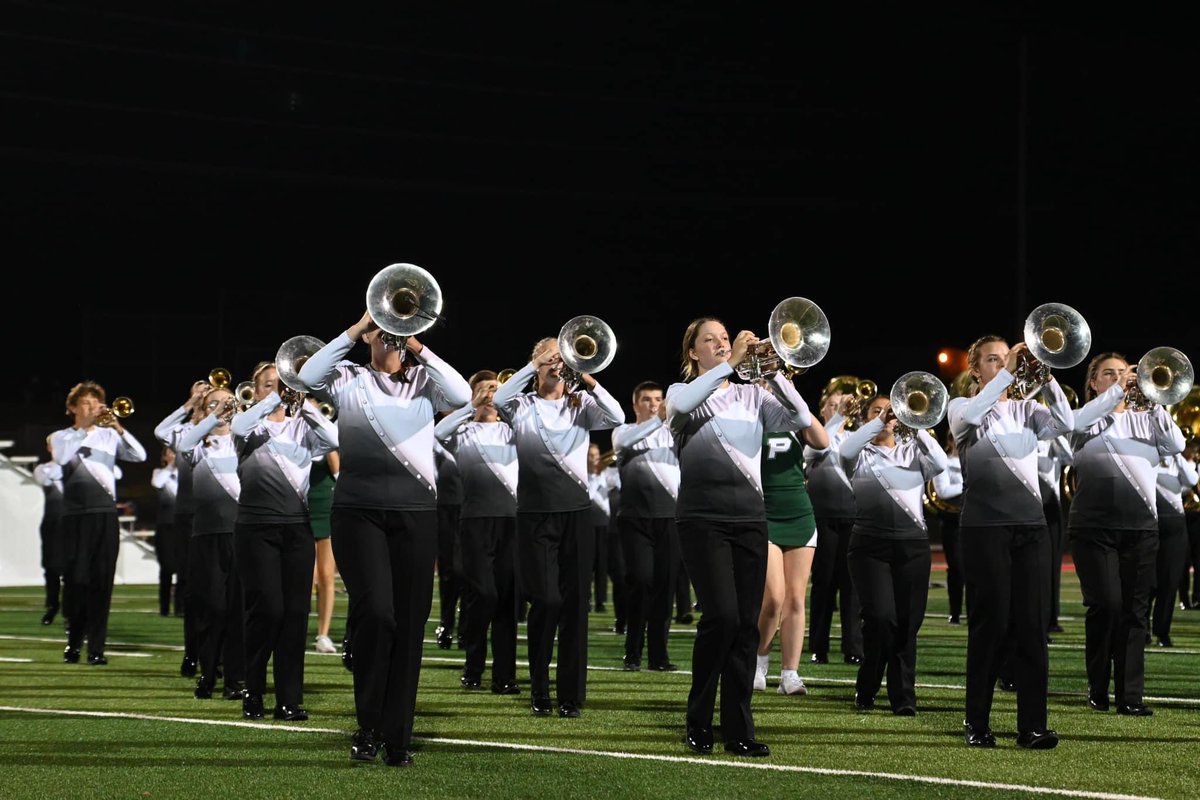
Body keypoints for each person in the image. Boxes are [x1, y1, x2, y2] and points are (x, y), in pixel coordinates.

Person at [295, 309, 471, 767]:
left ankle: (398, 735)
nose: (389, 336)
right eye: (383, 329)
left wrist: (414, 343)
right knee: (376, 613)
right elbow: (305, 376)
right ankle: (368, 724)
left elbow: (463, 393)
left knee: (409, 626)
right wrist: (357, 326)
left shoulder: (423, 382)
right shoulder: (348, 378)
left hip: (416, 512)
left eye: (397, 329)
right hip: (358, 512)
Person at [667, 318, 817, 758]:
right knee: (722, 618)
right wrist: (728, 363)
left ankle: (738, 729)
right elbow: (679, 410)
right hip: (702, 518)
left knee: (746, 627)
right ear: (694, 352)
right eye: (710, 340)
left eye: (726, 339)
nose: (722, 344)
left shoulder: (752, 395)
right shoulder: (683, 394)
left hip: (752, 518)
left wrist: (774, 372)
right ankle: (698, 720)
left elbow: (801, 418)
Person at [949, 335, 1073, 750]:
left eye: (1008, 358)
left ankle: (1033, 726)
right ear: (976, 369)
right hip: (984, 528)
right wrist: (1007, 374)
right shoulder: (962, 408)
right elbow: (966, 424)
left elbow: (1067, 424)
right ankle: (977, 722)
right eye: (993, 359)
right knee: (991, 625)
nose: (1005, 364)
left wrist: (1047, 377)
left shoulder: (1028, 408)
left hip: (1032, 526)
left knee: (1032, 627)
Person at [491, 335, 624, 719]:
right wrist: (536, 365)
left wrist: (588, 377)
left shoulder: (581, 405)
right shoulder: (522, 404)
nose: (555, 361)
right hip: (534, 514)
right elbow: (499, 400)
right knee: (545, 601)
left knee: (575, 607)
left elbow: (616, 417)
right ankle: (538, 688)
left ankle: (570, 695)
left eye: (559, 355)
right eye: (547, 355)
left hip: (577, 513)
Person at [1068, 352, 1185, 717]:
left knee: (1135, 613)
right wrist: (1116, 393)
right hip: (1093, 526)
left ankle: (1129, 696)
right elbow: (1073, 425)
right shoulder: (1083, 418)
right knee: (1106, 604)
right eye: (1110, 373)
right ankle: (1098, 686)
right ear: (1093, 382)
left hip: (1141, 526)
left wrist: (1153, 401)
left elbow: (1177, 444)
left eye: (1125, 373)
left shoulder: (1146, 417)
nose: (1121, 378)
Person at [230, 361, 339, 721]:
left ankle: (289, 699)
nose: (277, 389)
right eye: (268, 384)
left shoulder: (302, 427)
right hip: (256, 527)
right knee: (267, 609)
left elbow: (335, 440)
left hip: (297, 527)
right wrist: (271, 400)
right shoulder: (249, 427)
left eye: (283, 383)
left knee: (294, 614)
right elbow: (239, 423)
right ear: (255, 390)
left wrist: (304, 401)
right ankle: (254, 689)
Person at [839, 393, 948, 715]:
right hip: (869, 547)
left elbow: (941, 464)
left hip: (912, 546)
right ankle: (869, 682)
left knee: (906, 624)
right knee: (880, 619)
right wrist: (878, 420)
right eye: (877, 410)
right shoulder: (858, 452)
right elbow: (844, 449)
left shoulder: (913, 450)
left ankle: (903, 698)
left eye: (892, 411)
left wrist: (917, 427)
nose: (888, 416)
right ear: (864, 418)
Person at [434, 369, 521, 695]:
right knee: (481, 594)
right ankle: (473, 666)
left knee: (506, 600)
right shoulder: (463, 432)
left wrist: (504, 400)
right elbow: (439, 431)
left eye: (496, 389)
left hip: (510, 521)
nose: (491, 394)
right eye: (486, 389)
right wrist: (472, 405)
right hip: (474, 522)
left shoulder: (512, 431)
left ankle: (504, 676)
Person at [52, 380, 148, 665]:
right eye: (86, 403)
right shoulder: (61, 436)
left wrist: (118, 428)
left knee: (101, 583)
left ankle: (96, 649)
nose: (93, 407)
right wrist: (83, 428)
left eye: (96, 403)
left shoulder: (108, 436)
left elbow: (139, 455)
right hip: (75, 517)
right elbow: (62, 457)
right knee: (76, 581)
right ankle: (73, 642)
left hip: (105, 515)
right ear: (72, 407)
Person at [753, 379, 830, 696]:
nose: (767, 387)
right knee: (773, 598)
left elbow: (822, 442)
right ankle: (758, 664)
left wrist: (787, 391)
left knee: (796, 599)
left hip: (799, 513)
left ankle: (790, 675)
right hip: (764, 513)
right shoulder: (750, 417)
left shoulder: (795, 418)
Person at [176, 384, 247, 701]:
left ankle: (236, 678)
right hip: (205, 537)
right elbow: (180, 441)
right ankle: (208, 672)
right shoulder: (198, 445)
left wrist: (244, 413)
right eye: (213, 404)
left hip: (240, 533)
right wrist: (206, 412)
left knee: (237, 610)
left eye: (226, 403)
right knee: (211, 608)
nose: (221, 408)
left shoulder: (247, 440)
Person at [613, 380, 681, 672]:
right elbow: (624, 446)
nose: (654, 404)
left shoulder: (674, 433)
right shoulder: (624, 431)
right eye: (647, 400)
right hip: (635, 519)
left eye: (658, 399)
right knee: (640, 582)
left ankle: (658, 656)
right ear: (635, 405)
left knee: (665, 588)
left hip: (670, 518)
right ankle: (632, 652)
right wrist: (660, 419)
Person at [155, 379, 211, 677]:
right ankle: (192, 653)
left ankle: (220, 654)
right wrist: (190, 404)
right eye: (201, 394)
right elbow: (161, 431)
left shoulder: (228, 428)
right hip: (188, 515)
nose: (205, 398)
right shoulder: (185, 432)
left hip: (222, 516)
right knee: (192, 589)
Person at [804, 389, 863, 665]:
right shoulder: (814, 436)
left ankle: (853, 647)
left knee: (852, 585)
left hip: (853, 516)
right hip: (823, 517)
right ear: (822, 410)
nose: (839, 409)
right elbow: (814, 449)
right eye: (832, 405)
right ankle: (819, 646)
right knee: (824, 583)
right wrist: (839, 416)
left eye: (842, 406)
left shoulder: (854, 438)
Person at [1149, 445, 1199, 647]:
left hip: (1175, 524)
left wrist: (1178, 454)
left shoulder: (1175, 460)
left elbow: (1192, 481)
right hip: (1151, 522)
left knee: (1169, 581)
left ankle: (1162, 632)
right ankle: (1141, 626)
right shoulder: (1147, 455)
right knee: (1147, 581)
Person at [308, 445, 341, 655]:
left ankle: (323, 634)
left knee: (327, 576)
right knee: (305, 577)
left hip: (326, 506)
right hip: (302, 505)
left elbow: (338, 471)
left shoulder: (329, 436)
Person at [931, 429, 965, 624]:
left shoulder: (975, 460)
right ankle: (955, 612)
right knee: (957, 568)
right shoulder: (943, 461)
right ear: (950, 440)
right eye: (955, 437)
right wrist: (969, 482)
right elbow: (942, 491)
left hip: (973, 518)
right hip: (952, 521)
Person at [433, 437, 463, 650]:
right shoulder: (439, 434)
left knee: (469, 571)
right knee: (449, 569)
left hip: (472, 507)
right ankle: (447, 622)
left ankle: (466, 627)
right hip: (444, 507)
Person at [32, 435, 65, 627]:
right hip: (52, 523)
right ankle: (52, 605)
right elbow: (45, 480)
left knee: (72, 568)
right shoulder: (42, 468)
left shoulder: (76, 468)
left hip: (71, 523)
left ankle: (71, 611)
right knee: (51, 567)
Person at [587, 442, 620, 621]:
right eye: (591, 456)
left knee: (602, 565)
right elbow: (588, 495)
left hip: (604, 524)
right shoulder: (583, 475)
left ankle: (600, 601)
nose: (595, 459)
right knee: (587, 565)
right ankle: (587, 599)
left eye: (597, 455)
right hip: (587, 524)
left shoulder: (607, 474)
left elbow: (621, 480)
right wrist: (594, 476)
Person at [150, 447, 180, 617]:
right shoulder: (158, 472)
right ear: (164, 457)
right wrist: (170, 467)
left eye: (175, 453)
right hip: (166, 525)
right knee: (167, 567)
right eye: (169, 452)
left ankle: (181, 607)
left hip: (183, 525)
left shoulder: (186, 474)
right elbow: (157, 483)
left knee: (184, 567)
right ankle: (164, 607)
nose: (173, 455)